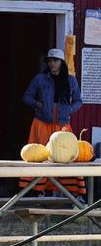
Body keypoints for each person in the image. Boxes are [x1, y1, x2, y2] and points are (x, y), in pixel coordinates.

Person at [21, 48, 83, 193]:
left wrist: (68, 109)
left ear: (61, 62)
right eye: (49, 61)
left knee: (64, 155)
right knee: (41, 155)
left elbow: (78, 101)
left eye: (55, 61)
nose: (52, 64)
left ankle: (66, 192)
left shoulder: (71, 80)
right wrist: (37, 104)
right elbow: (27, 97)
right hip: (43, 120)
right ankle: (39, 190)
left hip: (62, 121)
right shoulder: (39, 79)